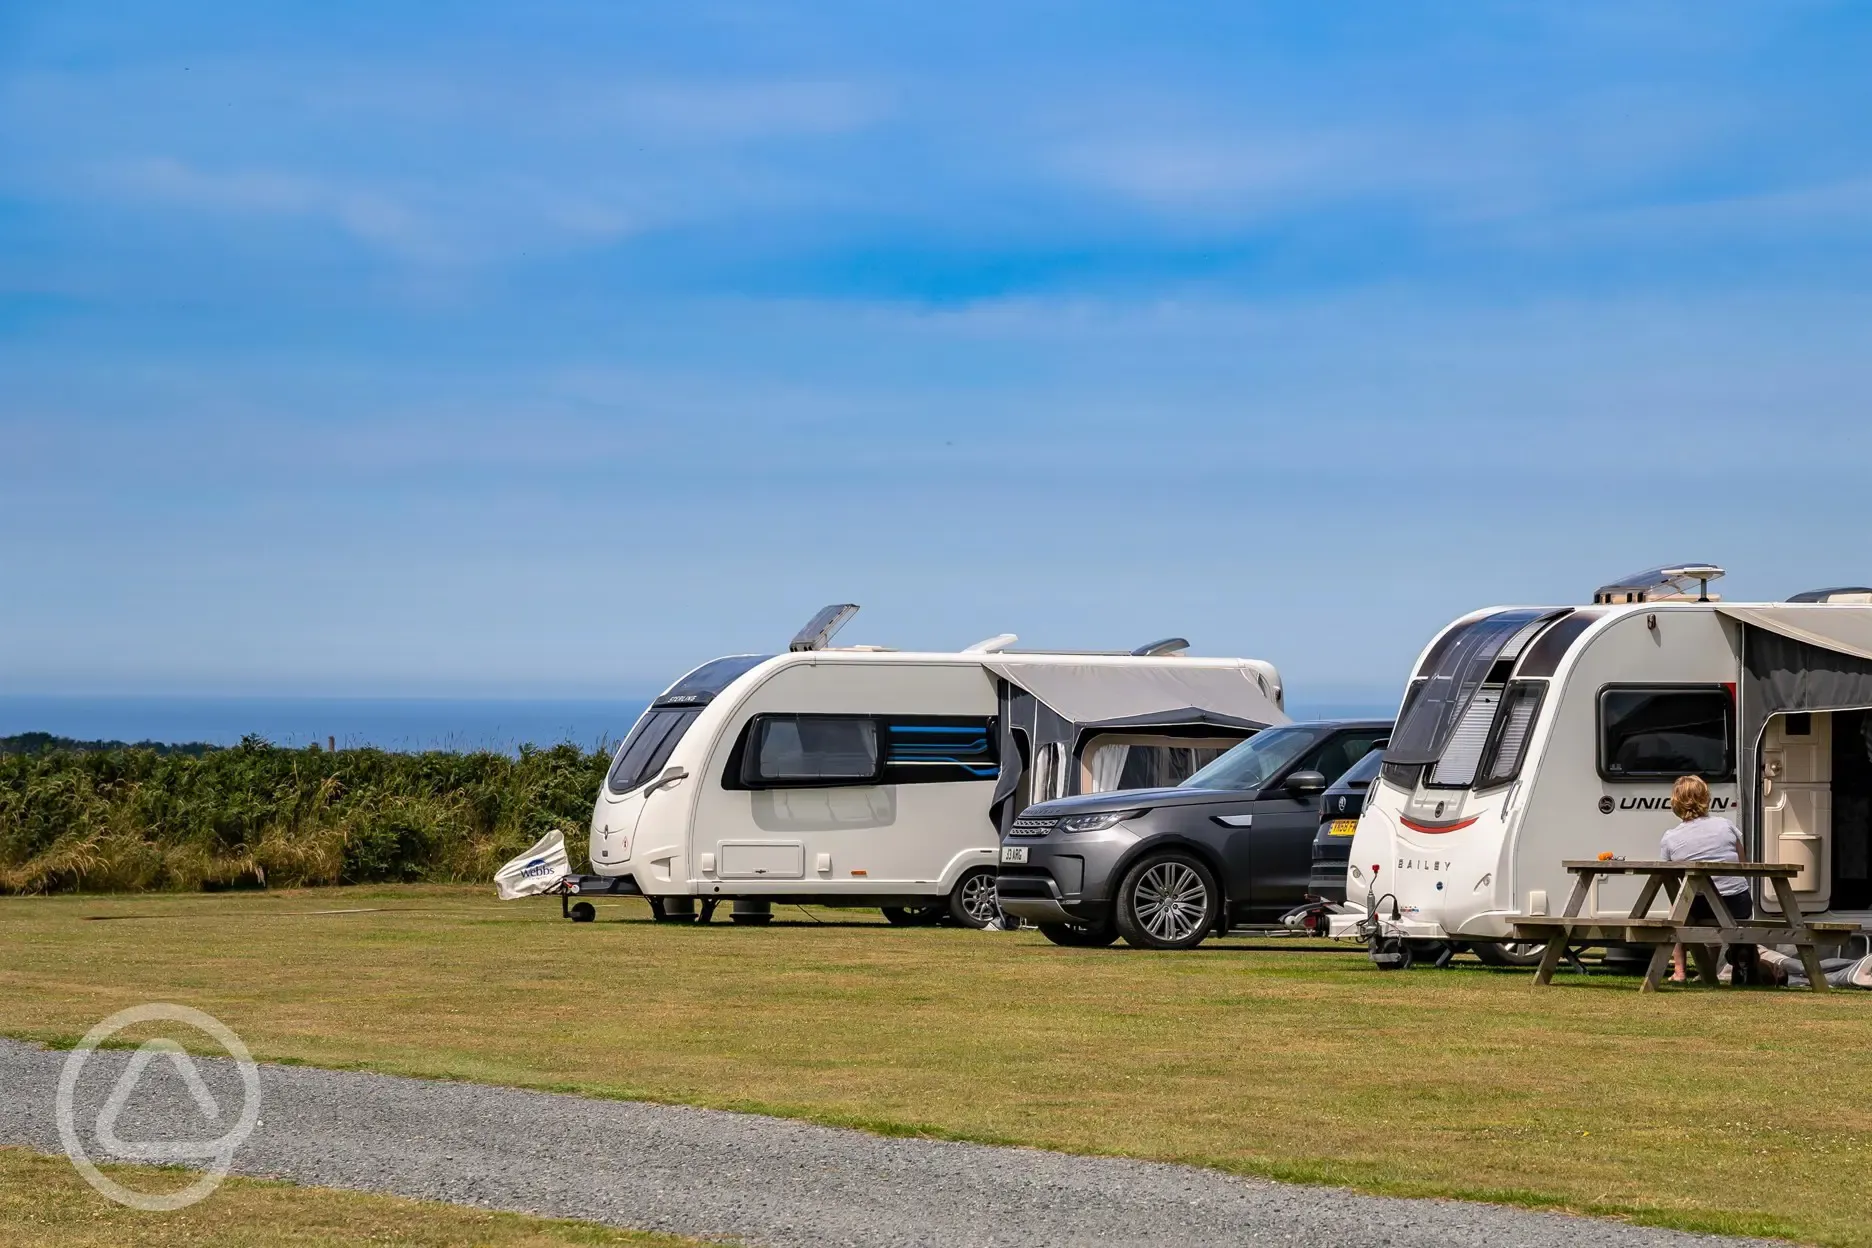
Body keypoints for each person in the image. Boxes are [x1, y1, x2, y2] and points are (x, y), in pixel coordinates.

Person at [1659, 775, 1757, 984]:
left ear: (1675, 802)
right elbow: (1743, 863)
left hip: (1700, 907)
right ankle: (1708, 970)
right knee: (1709, 902)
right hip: (1737, 905)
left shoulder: (1670, 837)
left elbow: (1669, 877)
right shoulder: (1726, 825)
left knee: (1677, 909)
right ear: (1705, 798)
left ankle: (1679, 971)